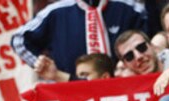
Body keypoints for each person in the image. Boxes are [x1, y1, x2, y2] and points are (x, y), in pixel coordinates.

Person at [11, 0, 147, 81]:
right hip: (72, 93)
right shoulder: (55, 12)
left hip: (125, 91)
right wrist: (39, 64)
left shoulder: (130, 9)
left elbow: (152, 41)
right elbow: (19, 40)